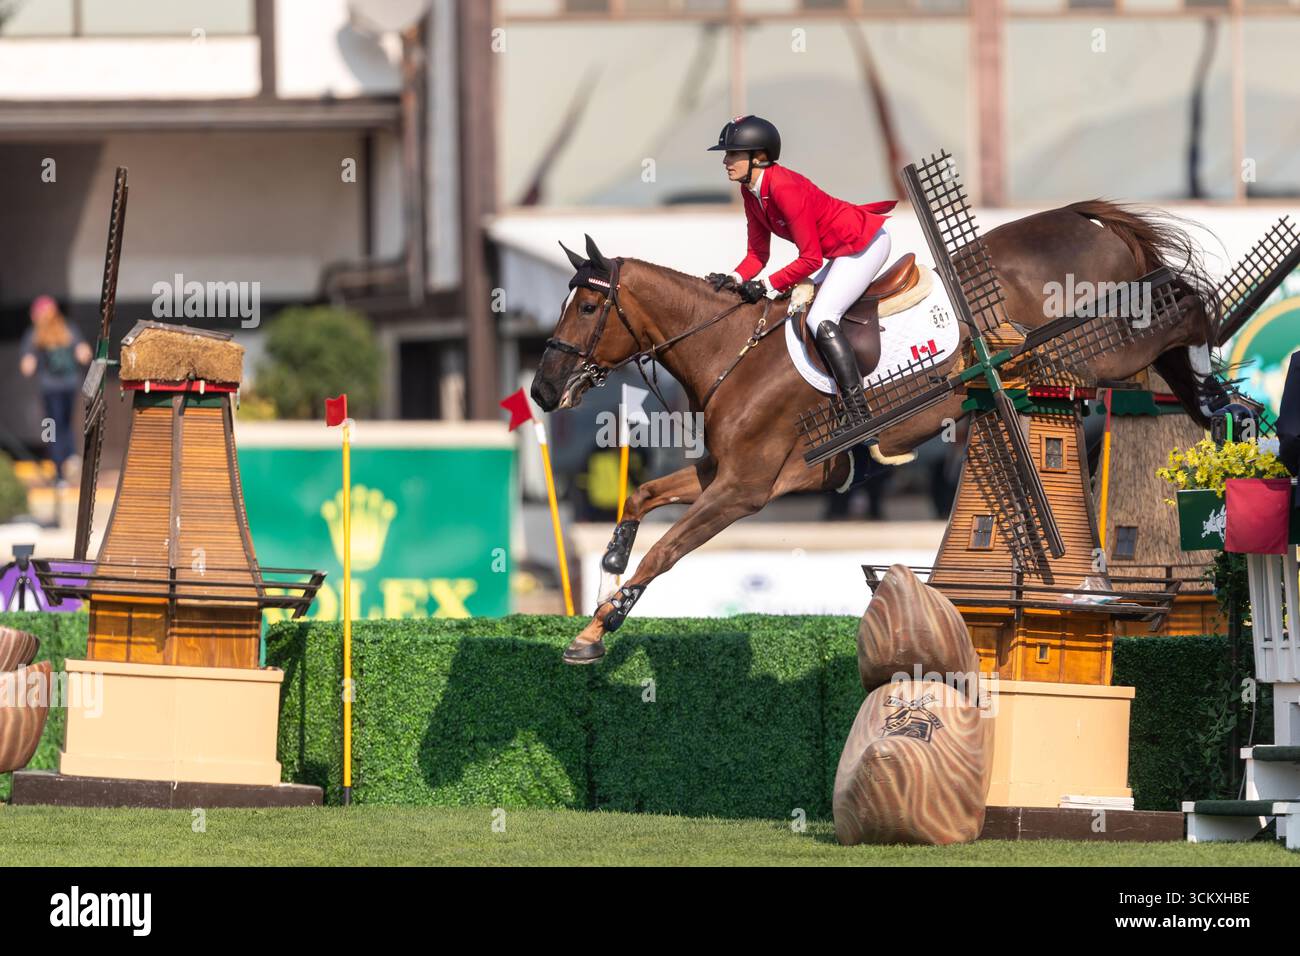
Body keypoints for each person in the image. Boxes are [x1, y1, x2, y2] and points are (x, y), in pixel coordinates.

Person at [705, 115, 897, 412]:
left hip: (864, 243)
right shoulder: (750, 191)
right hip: (841, 250)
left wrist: (766, 285)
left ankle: (858, 408)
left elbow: (810, 259)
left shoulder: (783, 187)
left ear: (760, 157)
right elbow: (758, 254)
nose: (725, 161)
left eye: (733, 154)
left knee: (819, 317)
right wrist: (735, 279)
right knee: (796, 310)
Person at [19, 296, 91, 485]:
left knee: (51, 425)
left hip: (49, 388)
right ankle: (71, 455)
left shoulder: (34, 334)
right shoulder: (68, 328)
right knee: (66, 423)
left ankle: (58, 471)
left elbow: (27, 367)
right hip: (70, 385)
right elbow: (84, 353)